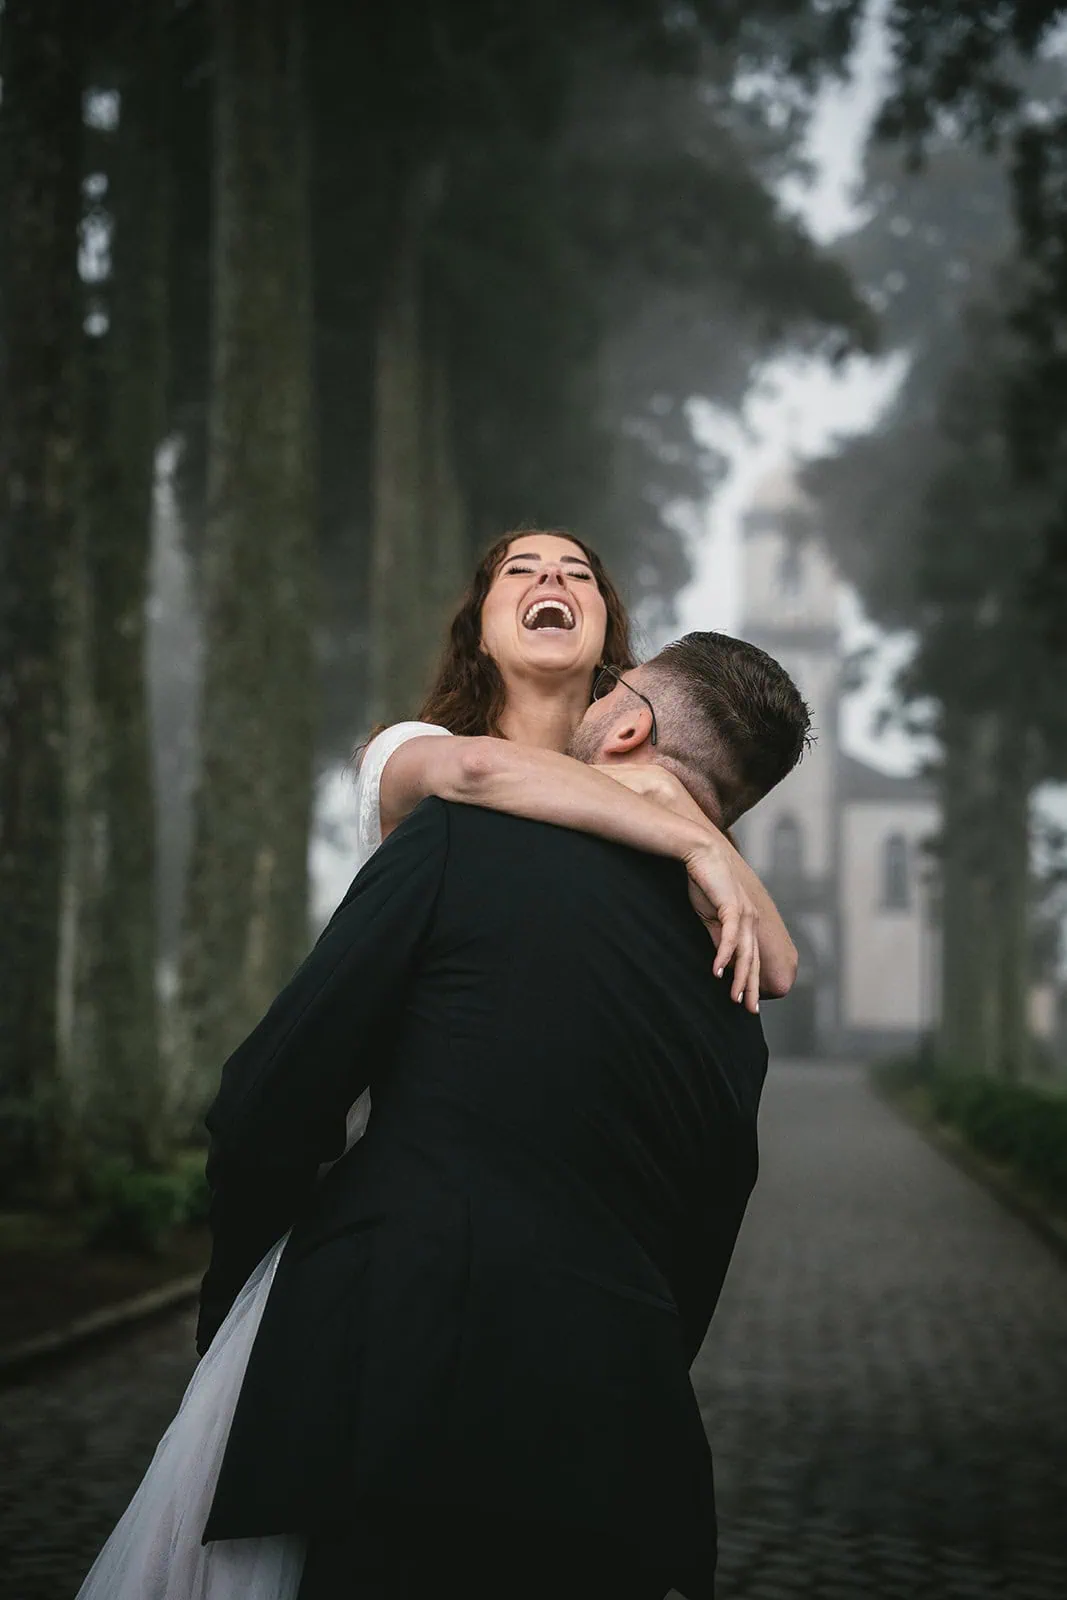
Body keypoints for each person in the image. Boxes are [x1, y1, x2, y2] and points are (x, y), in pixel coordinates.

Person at [72, 531, 801, 1600]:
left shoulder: (470, 847)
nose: (550, 581)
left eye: (576, 573)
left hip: (398, 1359)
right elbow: (703, 1228)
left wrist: (253, 1310)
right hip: (610, 1429)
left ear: (626, 710)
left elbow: (268, 1101)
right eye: (518, 568)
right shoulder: (449, 784)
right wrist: (698, 840)